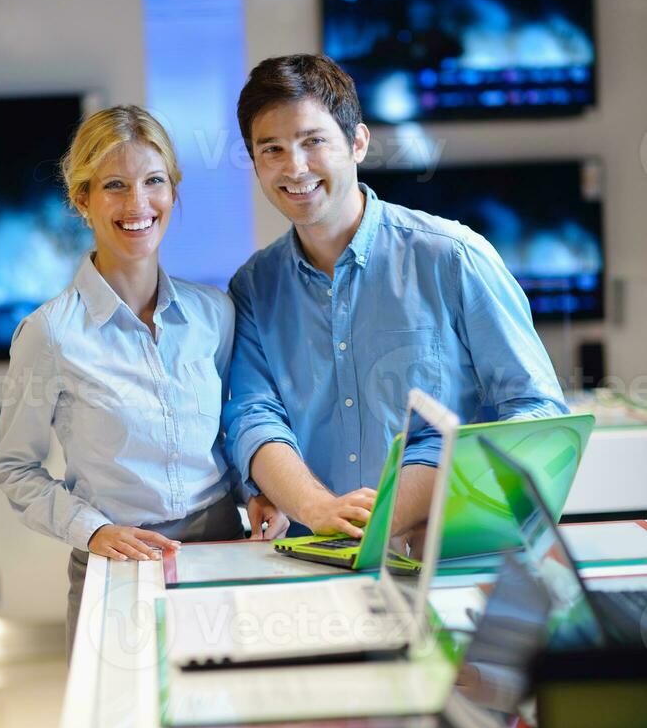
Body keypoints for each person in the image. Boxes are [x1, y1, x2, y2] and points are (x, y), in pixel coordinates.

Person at [224, 53, 568, 540]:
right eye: (272, 149)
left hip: (444, 556)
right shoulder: (254, 287)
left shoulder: (452, 256)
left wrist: (440, 505)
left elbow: (536, 409)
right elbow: (253, 417)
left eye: (313, 141)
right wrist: (319, 508)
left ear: (358, 142)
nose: (294, 167)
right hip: (314, 557)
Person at [0, 105, 286, 659]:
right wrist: (94, 530)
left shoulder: (214, 314)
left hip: (223, 551)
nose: (138, 204)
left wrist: (258, 491)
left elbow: (230, 429)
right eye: (115, 186)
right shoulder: (49, 334)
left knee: (225, 721)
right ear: (82, 201)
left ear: (173, 193)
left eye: (154, 182)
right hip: (116, 565)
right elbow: (14, 467)